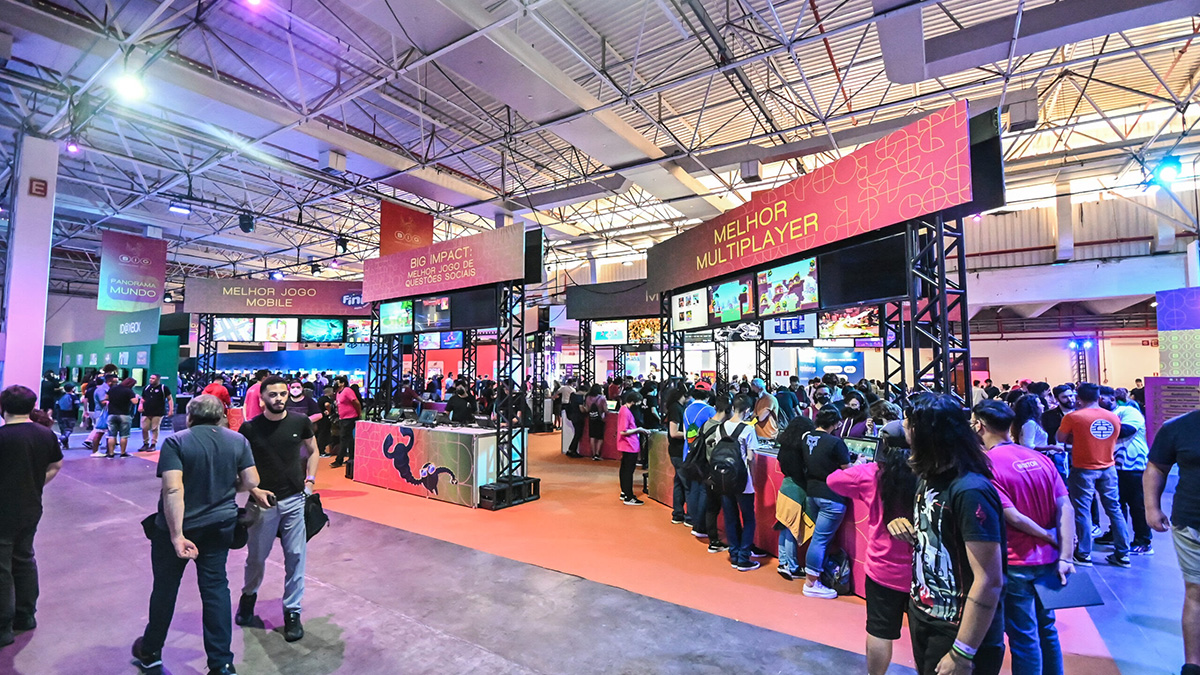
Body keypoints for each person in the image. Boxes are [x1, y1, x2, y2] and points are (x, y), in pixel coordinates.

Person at [131, 395, 259, 675]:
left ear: (190, 417)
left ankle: (151, 652)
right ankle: (222, 663)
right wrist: (227, 487)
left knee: (165, 589)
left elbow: (173, 490)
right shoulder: (238, 441)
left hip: (175, 530)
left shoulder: (176, 442)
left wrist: (177, 535)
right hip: (220, 527)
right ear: (220, 416)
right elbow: (251, 482)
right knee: (215, 590)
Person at [889, 393, 1007, 675]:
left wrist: (962, 653)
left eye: (907, 426)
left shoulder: (970, 490)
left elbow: (989, 579)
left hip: (957, 628)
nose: (902, 432)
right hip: (925, 614)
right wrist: (906, 527)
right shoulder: (928, 477)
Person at [973, 400, 1074, 675]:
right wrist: (1064, 551)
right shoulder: (1040, 458)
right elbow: (1065, 506)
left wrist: (1048, 537)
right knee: (1047, 628)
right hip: (1050, 560)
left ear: (978, 426)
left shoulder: (987, 465)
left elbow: (1013, 516)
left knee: (1024, 636)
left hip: (1017, 561)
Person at [234, 376, 318, 642]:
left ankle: (292, 611)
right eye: (273, 395)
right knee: (257, 557)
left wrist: (311, 482)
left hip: (294, 500)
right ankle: (248, 597)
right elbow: (238, 465)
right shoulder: (249, 429)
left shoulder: (300, 422)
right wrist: (254, 491)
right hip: (261, 503)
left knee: (295, 556)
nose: (279, 398)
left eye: (283, 394)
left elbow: (313, 451)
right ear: (262, 398)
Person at [827, 441, 918, 675]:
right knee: (923, 638)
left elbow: (834, 480)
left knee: (879, 631)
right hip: (923, 572)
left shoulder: (872, 474)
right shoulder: (930, 475)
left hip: (883, 567)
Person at [0, 385, 64, 648]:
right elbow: (56, 465)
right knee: (24, 558)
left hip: (2, 509)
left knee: (1, 567)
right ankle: (26, 616)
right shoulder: (45, 435)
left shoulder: (2, 437)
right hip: (31, 506)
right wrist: (36, 484)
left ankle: (3, 626)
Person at [1145, 408, 1200, 675]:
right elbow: (1156, 467)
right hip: (1193, 524)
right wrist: (1151, 507)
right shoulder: (1177, 427)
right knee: (1196, 592)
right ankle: (1193, 664)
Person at [1056, 383, 1130, 567]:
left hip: (1083, 469)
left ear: (1078, 398)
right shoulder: (1113, 417)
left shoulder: (1074, 417)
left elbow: (1060, 438)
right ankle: (1123, 554)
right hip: (1109, 467)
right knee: (1114, 509)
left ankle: (1083, 553)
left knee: (1083, 511)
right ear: (1099, 397)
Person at [801, 407, 852, 599]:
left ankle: (816, 577)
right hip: (832, 496)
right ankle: (811, 583)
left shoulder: (806, 438)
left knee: (819, 538)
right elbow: (848, 470)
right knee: (820, 539)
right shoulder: (836, 443)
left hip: (812, 492)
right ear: (835, 423)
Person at [1098, 387, 1153, 554]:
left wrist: (1095, 427)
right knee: (1116, 503)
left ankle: (1143, 540)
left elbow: (1126, 430)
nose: (1098, 402)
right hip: (1112, 465)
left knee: (1137, 504)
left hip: (1133, 465)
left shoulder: (1128, 411)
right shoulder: (1102, 415)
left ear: (1112, 399)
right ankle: (1117, 533)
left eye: (1101, 398)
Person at [711, 394, 759, 571]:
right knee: (748, 518)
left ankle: (734, 552)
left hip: (723, 478)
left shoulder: (721, 427)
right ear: (747, 410)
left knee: (730, 517)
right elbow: (752, 457)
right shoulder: (747, 429)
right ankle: (744, 557)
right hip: (742, 479)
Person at [775, 415, 816, 581]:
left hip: (785, 487)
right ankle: (792, 565)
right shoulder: (801, 449)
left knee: (784, 526)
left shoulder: (784, 446)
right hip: (797, 490)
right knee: (793, 529)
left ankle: (783, 561)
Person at [683, 387, 717, 539]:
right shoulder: (709, 410)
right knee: (704, 490)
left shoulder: (686, 409)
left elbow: (685, 432)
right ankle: (700, 524)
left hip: (689, 451)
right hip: (703, 454)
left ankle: (692, 519)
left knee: (693, 489)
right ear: (707, 397)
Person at [617, 391, 649, 505]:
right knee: (628, 471)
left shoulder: (623, 409)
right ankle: (629, 496)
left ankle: (625, 492)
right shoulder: (626, 412)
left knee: (625, 469)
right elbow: (624, 431)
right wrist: (639, 429)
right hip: (629, 444)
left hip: (627, 444)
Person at [665, 383, 690, 524]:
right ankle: (687, 515)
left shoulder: (676, 407)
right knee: (686, 483)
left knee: (679, 482)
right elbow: (673, 433)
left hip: (677, 450)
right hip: (678, 450)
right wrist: (690, 435)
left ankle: (678, 513)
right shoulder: (676, 409)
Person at [330, 376, 360, 474]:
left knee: (343, 437)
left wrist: (358, 413)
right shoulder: (338, 393)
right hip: (343, 418)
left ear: (342, 383)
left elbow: (355, 402)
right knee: (349, 438)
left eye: (337, 381)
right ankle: (351, 457)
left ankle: (339, 460)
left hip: (350, 417)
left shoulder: (347, 390)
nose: (335, 383)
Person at [105, 377, 139, 458]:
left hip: (111, 414)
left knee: (111, 435)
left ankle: (111, 453)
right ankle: (123, 453)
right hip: (124, 415)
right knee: (124, 435)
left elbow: (106, 398)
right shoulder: (129, 391)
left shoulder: (112, 389)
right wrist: (136, 396)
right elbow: (135, 402)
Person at [139, 374, 174, 452]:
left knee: (155, 428)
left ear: (158, 379)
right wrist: (140, 406)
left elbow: (170, 399)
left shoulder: (163, 388)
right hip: (146, 411)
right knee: (144, 428)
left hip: (158, 412)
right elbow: (142, 399)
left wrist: (171, 410)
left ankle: (153, 444)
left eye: (153, 378)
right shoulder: (146, 388)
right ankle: (145, 443)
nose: (151, 380)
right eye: (150, 378)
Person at [584, 384, 608, 461]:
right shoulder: (602, 398)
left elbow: (587, 409)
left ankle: (593, 454)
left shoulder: (588, 397)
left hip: (591, 418)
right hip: (600, 419)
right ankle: (597, 454)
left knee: (592, 436)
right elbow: (605, 410)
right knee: (600, 437)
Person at [54, 384, 80, 449]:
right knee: (69, 430)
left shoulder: (61, 396)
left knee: (63, 430)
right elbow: (77, 406)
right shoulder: (74, 397)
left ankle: (65, 444)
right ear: (72, 389)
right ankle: (60, 440)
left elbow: (56, 406)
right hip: (71, 415)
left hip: (61, 415)